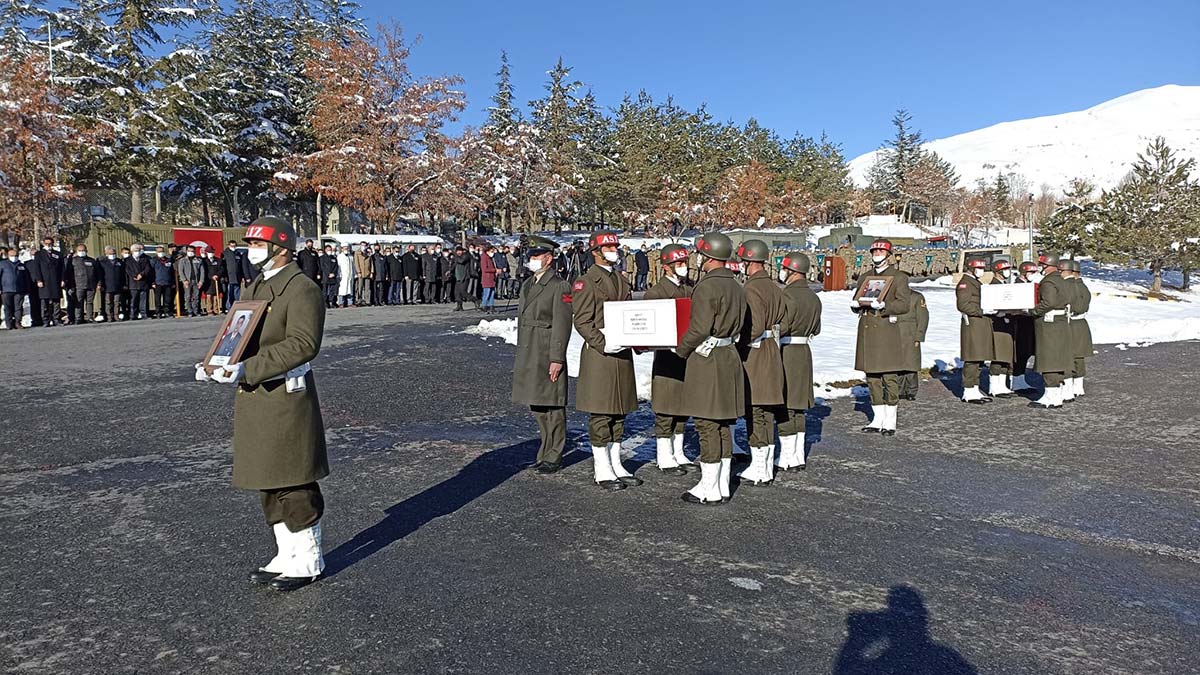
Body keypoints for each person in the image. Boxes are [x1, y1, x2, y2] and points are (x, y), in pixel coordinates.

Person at [195, 215, 329, 592]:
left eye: (257, 244)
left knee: (294, 478)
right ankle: (286, 552)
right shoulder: (256, 285)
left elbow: (303, 344)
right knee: (267, 478)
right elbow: (236, 336)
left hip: (284, 395)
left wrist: (246, 368)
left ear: (280, 249)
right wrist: (216, 363)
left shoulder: (301, 288)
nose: (250, 251)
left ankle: (309, 557)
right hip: (256, 394)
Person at [678, 232, 745, 504]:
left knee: (706, 424)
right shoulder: (737, 285)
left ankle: (708, 487)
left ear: (707, 256)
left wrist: (681, 350)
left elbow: (699, 328)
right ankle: (722, 485)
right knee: (723, 425)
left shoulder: (706, 286)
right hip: (729, 354)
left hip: (707, 358)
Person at [572, 230, 639, 491]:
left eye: (615, 246)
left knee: (619, 411)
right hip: (600, 354)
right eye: (608, 247)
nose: (614, 250)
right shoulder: (587, 281)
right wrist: (602, 342)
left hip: (621, 353)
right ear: (596, 252)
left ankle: (615, 462)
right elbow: (582, 320)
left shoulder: (621, 280)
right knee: (601, 412)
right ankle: (602, 468)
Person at [511, 236, 573, 474]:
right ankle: (545, 449)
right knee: (537, 404)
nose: (532, 260)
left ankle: (555, 453)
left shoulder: (559, 286)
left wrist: (557, 358)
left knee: (553, 405)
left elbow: (562, 324)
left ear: (549, 259)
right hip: (530, 350)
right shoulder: (529, 284)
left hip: (546, 350)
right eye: (531, 257)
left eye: (537, 257)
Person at [735, 239, 787, 487]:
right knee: (765, 413)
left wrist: (737, 341)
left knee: (755, 411)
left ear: (748, 262)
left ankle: (758, 467)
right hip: (771, 349)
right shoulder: (775, 287)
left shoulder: (752, 289)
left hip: (754, 354)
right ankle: (764, 466)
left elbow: (753, 326)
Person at [644, 244, 694, 475]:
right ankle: (664, 455)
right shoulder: (657, 292)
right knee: (666, 407)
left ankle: (679, 451)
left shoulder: (690, 289)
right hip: (666, 357)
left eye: (685, 263)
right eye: (678, 264)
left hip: (687, 356)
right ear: (666, 267)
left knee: (684, 405)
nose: (683, 268)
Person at [852, 239, 911, 436]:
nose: (877, 253)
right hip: (868, 329)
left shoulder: (899, 277)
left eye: (881, 250)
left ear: (889, 254)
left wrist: (886, 306)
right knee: (872, 377)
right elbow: (859, 297)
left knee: (889, 376)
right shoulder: (865, 277)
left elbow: (904, 305)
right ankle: (877, 418)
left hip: (886, 328)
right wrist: (855, 305)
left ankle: (890, 419)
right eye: (875, 250)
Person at [775, 254, 821, 472]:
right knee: (799, 405)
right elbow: (817, 329)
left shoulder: (787, 296)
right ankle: (798, 455)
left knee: (786, 405)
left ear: (791, 271)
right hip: (804, 351)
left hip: (787, 351)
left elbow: (781, 327)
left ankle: (785, 456)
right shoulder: (814, 298)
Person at [1028, 252, 1071, 409]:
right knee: (1058, 359)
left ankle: (1050, 395)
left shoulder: (1048, 282)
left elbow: (1048, 302)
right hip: (1060, 322)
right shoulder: (1062, 280)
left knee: (1049, 359)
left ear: (1045, 266)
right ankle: (1057, 394)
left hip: (1049, 324)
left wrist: (1032, 311)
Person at [957, 257, 994, 404]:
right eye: (979, 268)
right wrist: (981, 310)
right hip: (972, 323)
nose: (982, 271)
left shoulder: (976, 283)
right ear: (971, 268)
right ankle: (968, 389)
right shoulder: (965, 284)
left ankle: (974, 387)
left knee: (979, 357)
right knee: (972, 357)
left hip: (980, 323)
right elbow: (963, 305)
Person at [1061, 259, 1093, 400]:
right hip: (1080, 324)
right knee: (1078, 357)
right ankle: (1077, 385)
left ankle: (1070, 385)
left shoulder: (1073, 286)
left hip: (1072, 323)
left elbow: (1077, 307)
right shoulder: (1082, 286)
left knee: (1070, 356)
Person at [987, 260, 1017, 398]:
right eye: (1005, 269)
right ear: (998, 271)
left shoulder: (1003, 285)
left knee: (1005, 356)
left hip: (1007, 324)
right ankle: (994, 386)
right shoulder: (993, 286)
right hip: (998, 324)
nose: (1007, 272)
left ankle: (1002, 385)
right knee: (998, 356)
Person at [1010, 261, 1039, 392]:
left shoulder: (1028, 285)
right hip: (1020, 322)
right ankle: (1017, 380)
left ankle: (1020, 379)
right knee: (1020, 352)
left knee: (1026, 352)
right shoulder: (1017, 285)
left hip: (1028, 322)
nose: (1033, 275)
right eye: (1031, 272)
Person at [897, 289, 929, 401]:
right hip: (895, 334)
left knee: (911, 364)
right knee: (898, 364)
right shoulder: (893, 295)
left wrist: (919, 336)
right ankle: (899, 390)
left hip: (910, 335)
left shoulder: (916, 297)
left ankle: (911, 391)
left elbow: (923, 318)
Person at [29, 236, 65, 327]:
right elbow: (37, 268)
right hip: (44, 281)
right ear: (43, 244)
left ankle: (56, 319)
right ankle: (46, 320)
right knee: (44, 301)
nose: (48, 245)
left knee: (56, 301)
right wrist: (39, 280)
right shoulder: (39, 254)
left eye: (50, 244)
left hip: (55, 280)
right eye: (46, 244)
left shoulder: (58, 254)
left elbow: (62, 269)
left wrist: (62, 279)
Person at [66, 244, 101, 324]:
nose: (82, 252)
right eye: (80, 250)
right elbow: (69, 274)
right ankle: (78, 318)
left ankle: (90, 317)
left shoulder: (92, 261)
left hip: (91, 285)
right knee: (79, 302)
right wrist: (71, 285)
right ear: (77, 251)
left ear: (86, 251)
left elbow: (98, 274)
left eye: (83, 250)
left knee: (89, 302)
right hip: (79, 285)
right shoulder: (73, 261)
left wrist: (99, 283)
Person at [1, 248, 30, 329]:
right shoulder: (2, 264)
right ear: (8, 256)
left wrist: (27, 289)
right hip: (6, 290)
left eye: (16, 255)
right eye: (12, 255)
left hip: (19, 290)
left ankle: (18, 323)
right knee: (8, 308)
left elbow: (26, 278)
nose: (14, 257)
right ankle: (9, 324)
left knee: (18, 308)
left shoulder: (21, 265)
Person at [125, 244, 154, 320]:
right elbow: (127, 270)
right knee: (133, 300)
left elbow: (148, 268)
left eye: (138, 250)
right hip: (133, 283)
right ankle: (133, 315)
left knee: (144, 300)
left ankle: (144, 314)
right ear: (132, 251)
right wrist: (135, 275)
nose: (137, 252)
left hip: (143, 282)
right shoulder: (127, 260)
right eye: (136, 250)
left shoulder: (144, 259)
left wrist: (142, 274)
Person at [98, 246, 125, 322]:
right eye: (110, 253)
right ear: (106, 253)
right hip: (107, 286)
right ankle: (109, 316)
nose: (112, 255)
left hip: (118, 285)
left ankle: (116, 316)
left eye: (114, 253)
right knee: (108, 302)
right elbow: (100, 275)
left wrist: (123, 284)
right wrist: (101, 284)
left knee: (117, 302)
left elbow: (123, 274)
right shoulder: (103, 262)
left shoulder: (119, 262)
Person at [177, 246, 204, 317]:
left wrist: (201, 281)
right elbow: (181, 271)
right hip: (187, 281)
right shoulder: (182, 260)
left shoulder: (198, 260)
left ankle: (196, 311)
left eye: (192, 251)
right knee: (188, 296)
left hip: (196, 281)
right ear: (186, 251)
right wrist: (184, 280)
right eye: (189, 251)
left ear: (194, 252)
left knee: (196, 296)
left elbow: (202, 271)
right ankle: (189, 311)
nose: (190, 252)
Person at [151, 249, 176, 319]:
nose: (160, 253)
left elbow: (172, 272)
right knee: (157, 299)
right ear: (156, 252)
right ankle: (158, 313)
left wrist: (173, 282)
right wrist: (153, 282)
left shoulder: (168, 260)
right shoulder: (154, 260)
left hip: (167, 282)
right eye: (159, 252)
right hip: (157, 283)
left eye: (162, 251)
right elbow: (151, 272)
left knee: (167, 299)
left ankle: (167, 312)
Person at [453, 246, 473, 311]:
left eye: (460, 251)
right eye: (457, 251)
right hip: (458, 276)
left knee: (463, 292)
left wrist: (455, 257)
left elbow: (461, 261)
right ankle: (459, 305)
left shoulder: (466, 256)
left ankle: (475, 300)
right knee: (457, 292)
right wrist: (449, 271)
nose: (458, 252)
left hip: (464, 276)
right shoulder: (456, 257)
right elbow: (454, 265)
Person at [319, 244, 339, 309]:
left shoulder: (333, 258)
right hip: (325, 277)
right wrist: (328, 274)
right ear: (325, 250)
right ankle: (325, 303)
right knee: (325, 291)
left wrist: (333, 273)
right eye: (328, 250)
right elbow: (322, 267)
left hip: (333, 277)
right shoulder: (322, 258)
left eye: (330, 250)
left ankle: (332, 302)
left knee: (332, 291)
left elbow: (336, 267)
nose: (329, 251)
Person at [480, 245, 498, 313]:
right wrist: (494, 270)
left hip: (492, 278)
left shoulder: (490, 258)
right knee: (486, 293)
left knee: (492, 293)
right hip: (487, 278)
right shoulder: (484, 258)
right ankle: (484, 305)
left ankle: (491, 305)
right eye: (491, 251)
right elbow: (485, 269)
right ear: (487, 251)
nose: (492, 252)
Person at [354, 242, 372, 306]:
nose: (363, 246)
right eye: (362, 245)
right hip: (360, 272)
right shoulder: (357, 252)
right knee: (359, 287)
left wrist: (371, 272)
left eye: (365, 245)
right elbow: (356, 263)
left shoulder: (368, 253)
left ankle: (367, 300)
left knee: (367, 288)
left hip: (367, 272)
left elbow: (371, 263)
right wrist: (358, 272)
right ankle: (359, 300)